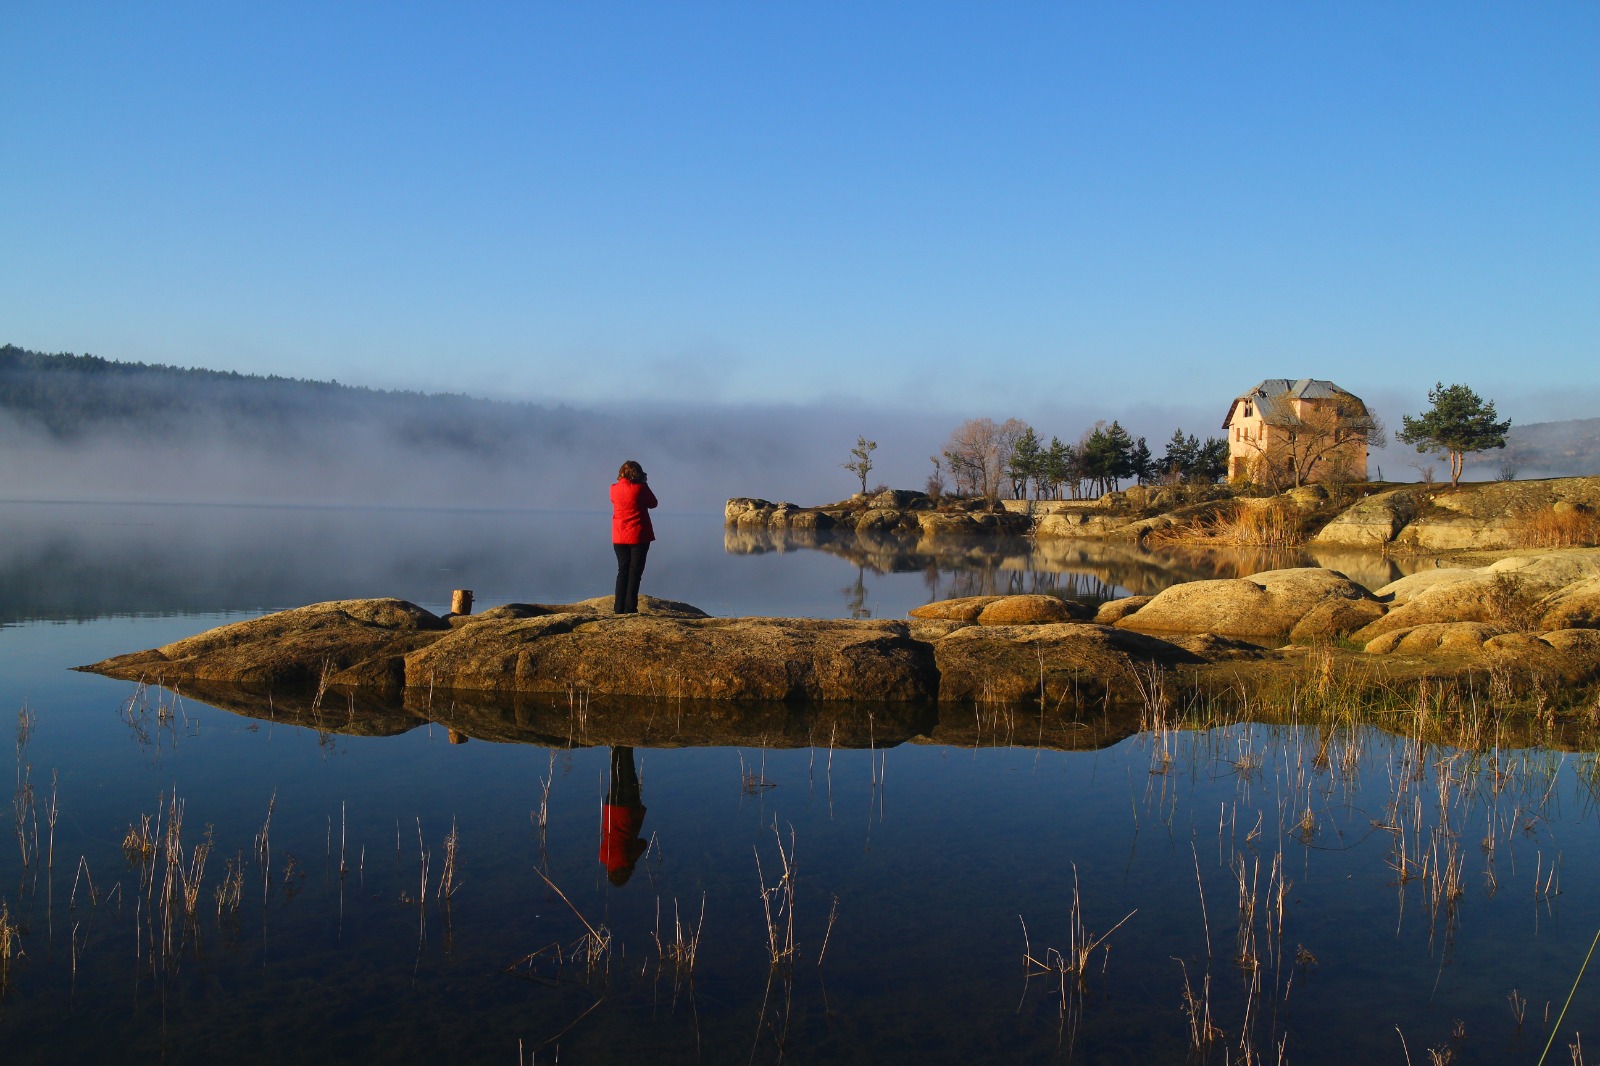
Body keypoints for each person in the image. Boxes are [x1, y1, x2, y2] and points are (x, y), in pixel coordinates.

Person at [610, 460, 657, 614]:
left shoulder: (613, 489)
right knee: (635, 572)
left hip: (619, 536)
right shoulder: (641, 488)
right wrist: (644, 484)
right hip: (638, 536)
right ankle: (630, 608)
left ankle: (618, 608)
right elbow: (653, 503)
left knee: (622, 571)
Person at [600, 746, 647, 886]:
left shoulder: (627, 859)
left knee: (628, 771)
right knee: (616, 775)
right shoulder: (603, 857)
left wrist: (632, 861)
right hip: (610, 809)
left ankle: (626, 743)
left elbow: (643, 843)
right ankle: (615, 745)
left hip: (627, 811)